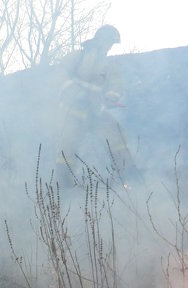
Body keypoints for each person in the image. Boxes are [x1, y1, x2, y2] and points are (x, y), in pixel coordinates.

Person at [53, 25, 137, 185]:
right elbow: (60, 75)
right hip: (73, 112)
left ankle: (128, 174)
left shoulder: (107, 64)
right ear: (101, 40)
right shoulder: (77, 57)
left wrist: (111, 97)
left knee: (115, 132)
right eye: (109, 43)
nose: (109, 47)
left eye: (111, 45)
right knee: (68, 147)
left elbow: (115, 82)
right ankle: (62, 184)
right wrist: (77, 93)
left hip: (95, 112)